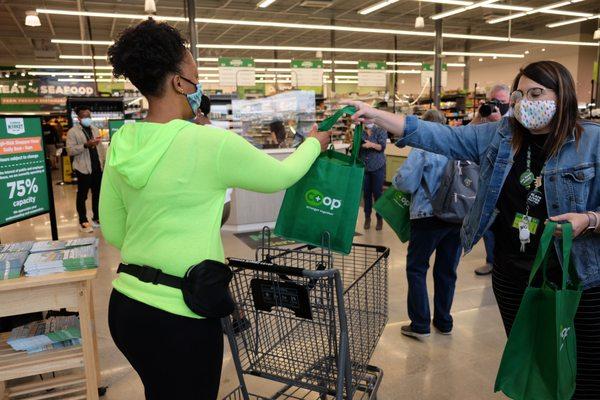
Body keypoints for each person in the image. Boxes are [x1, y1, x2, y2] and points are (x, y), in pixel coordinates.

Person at [100, 19, 330, 400]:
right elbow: (281, 175)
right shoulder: (210, 144)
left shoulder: (123, 142)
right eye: (194, 75)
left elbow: (113, 231)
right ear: (178, 82)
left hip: (127, 308)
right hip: (183, 313)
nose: (198, 85)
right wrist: (316, 143)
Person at [345, 60, 600, 398]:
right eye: (519, 95)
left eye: (536, 93)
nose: (526, 102)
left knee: (587, 374)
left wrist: (590, 220)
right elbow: (440, 136)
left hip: (578, 279)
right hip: (513, 276)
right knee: (534, 364)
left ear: (562, 94)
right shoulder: (501, 136)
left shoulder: (592, 141)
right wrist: (376, 115)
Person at [394, 109, 462, 338]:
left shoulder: (423, 148)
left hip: (427, 216)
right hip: (457, 216)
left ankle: (420, 324)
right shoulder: (458, 144)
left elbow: (406, 183)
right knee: (447, 271)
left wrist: (395, 179)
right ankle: (444, 321)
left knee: (417, 268)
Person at [471, 84, 511, 275]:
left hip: (508, 182)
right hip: (487, 179)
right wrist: (480, 115)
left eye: (502, 102)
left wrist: (499, 120)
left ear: (509, 101)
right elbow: (468, 134)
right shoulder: (485, 117)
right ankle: (491, 261)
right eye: (494, 101)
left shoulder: (515, 118)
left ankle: (504, 261)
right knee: (487, 222)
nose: (497, 105)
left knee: (507, 223)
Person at [66, 106, 105, 233]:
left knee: (97, 193)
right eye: (85, 117)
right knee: (82, 195)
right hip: (83, 168)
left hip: (96, 167)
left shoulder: (95, 129)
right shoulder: (73, 132)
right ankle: (83, 220)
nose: (88, 119)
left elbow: (100, 149)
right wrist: (85, 145)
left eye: (89, 116)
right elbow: (70, 150)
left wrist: (102, 163)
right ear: (79, 118)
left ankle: (97, 217)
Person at [359, 122, 387, 230]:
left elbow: (382, 147)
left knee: (377, 193)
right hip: (364, 167)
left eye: (368, 117)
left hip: (378, 166)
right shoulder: (360, 132)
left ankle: (379, 219)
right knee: (366, 194)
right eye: (364, 118)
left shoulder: (380, 130)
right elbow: (357, 146)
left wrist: (371, 144)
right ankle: (367, 218)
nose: (366, 120)